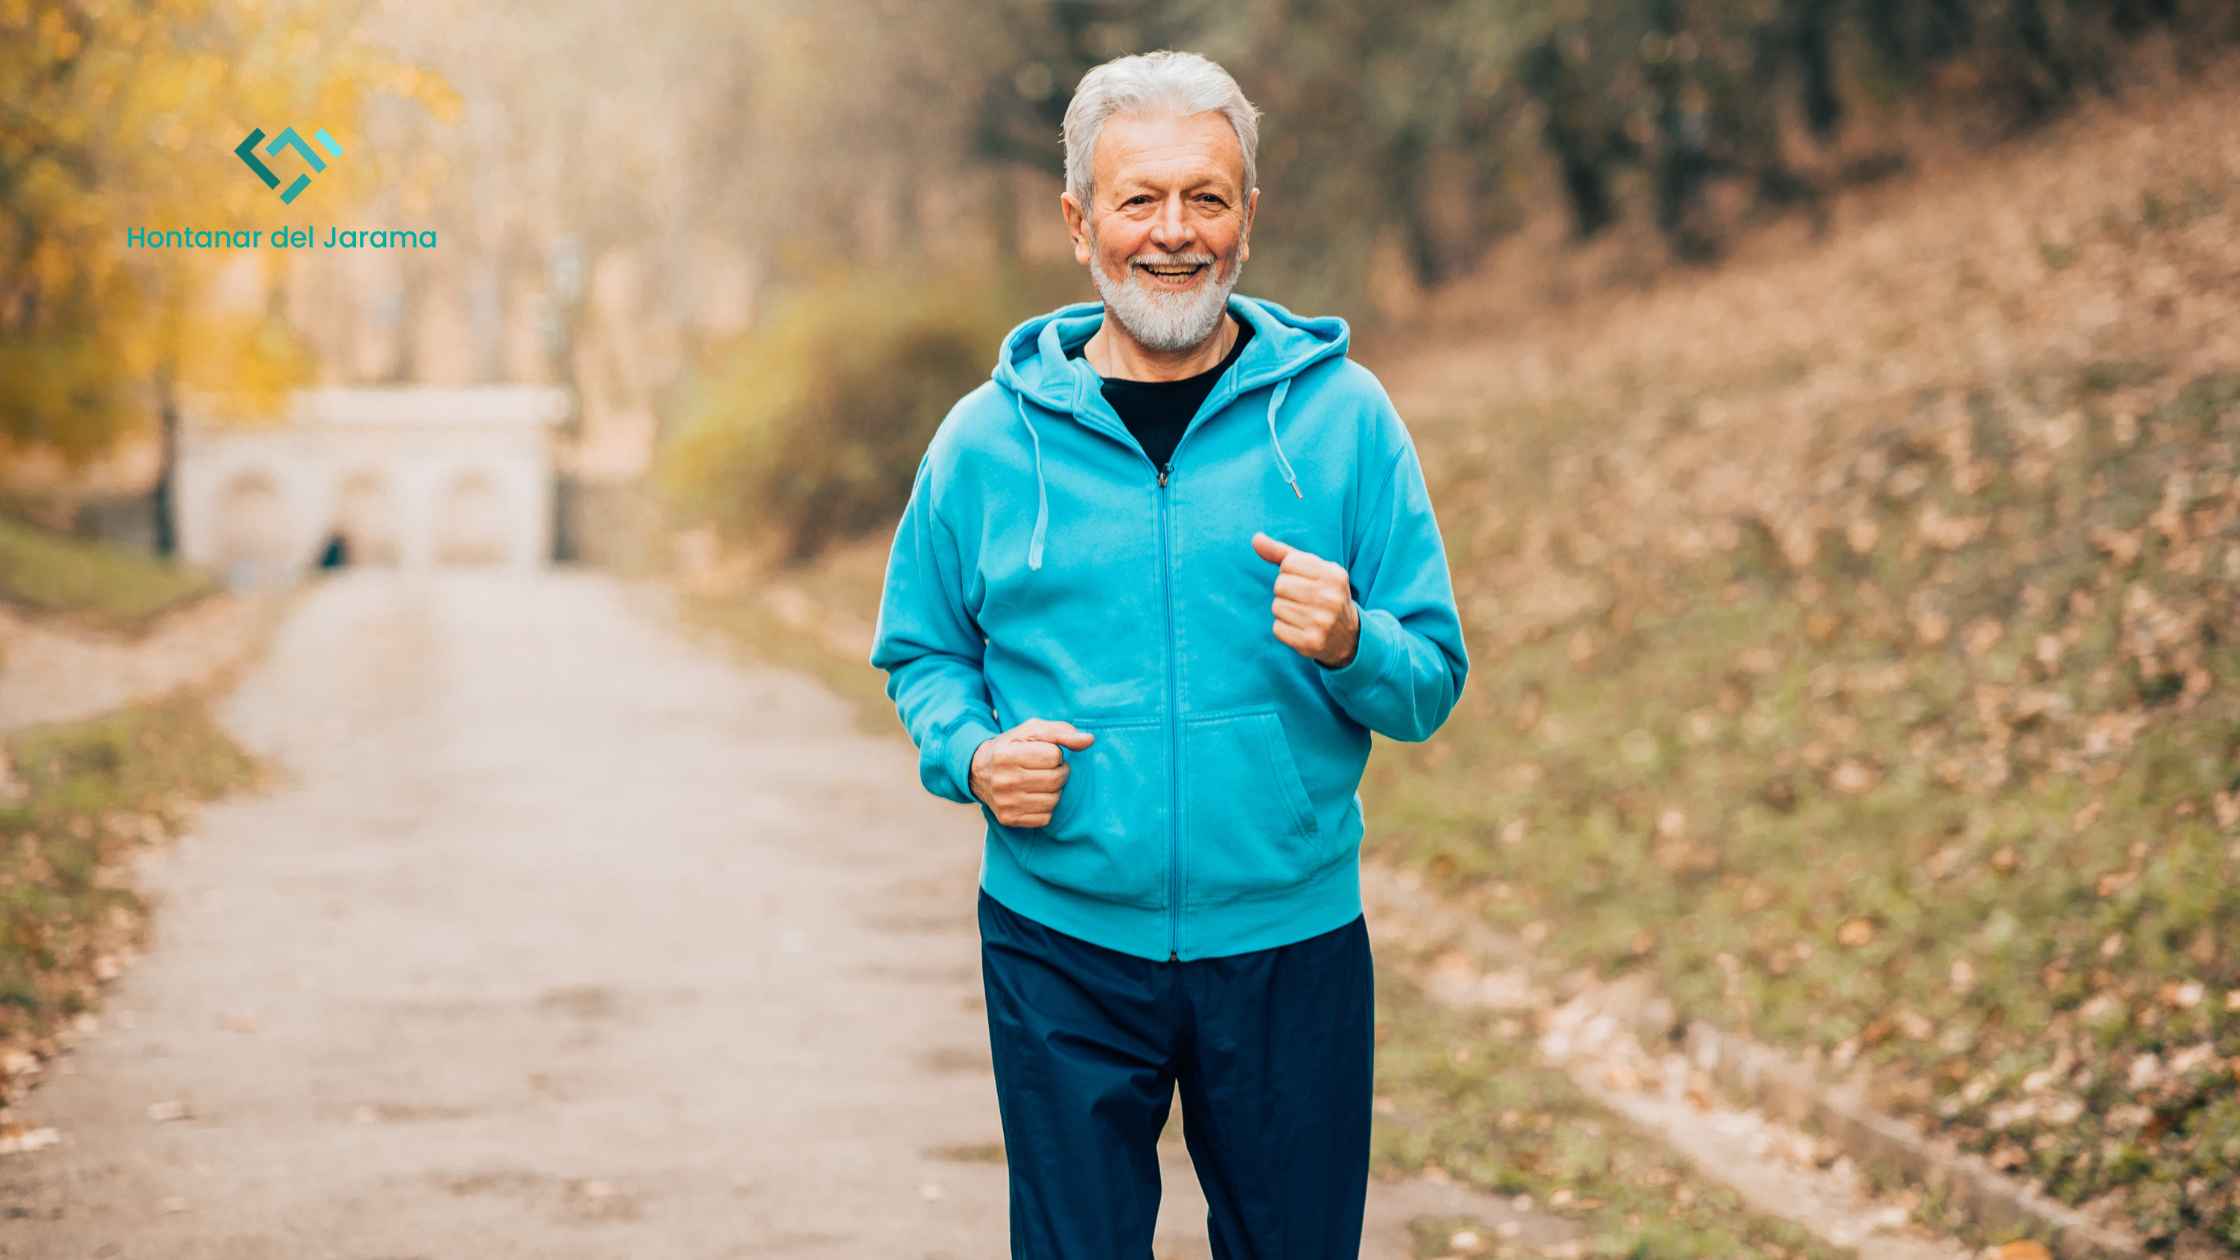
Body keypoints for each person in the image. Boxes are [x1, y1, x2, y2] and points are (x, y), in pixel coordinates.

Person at [868, 49, 1470, 1260]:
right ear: (1077, 221)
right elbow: (922, 651)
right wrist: (973, 755)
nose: (1171, 233)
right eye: (1137, 199)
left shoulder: (1345, 418)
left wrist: (1353, 641)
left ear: (1249, 215)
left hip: (1290, 943)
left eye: (1204, 195)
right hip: (1059, 944)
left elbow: (1429, 679)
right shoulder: (985, 441)